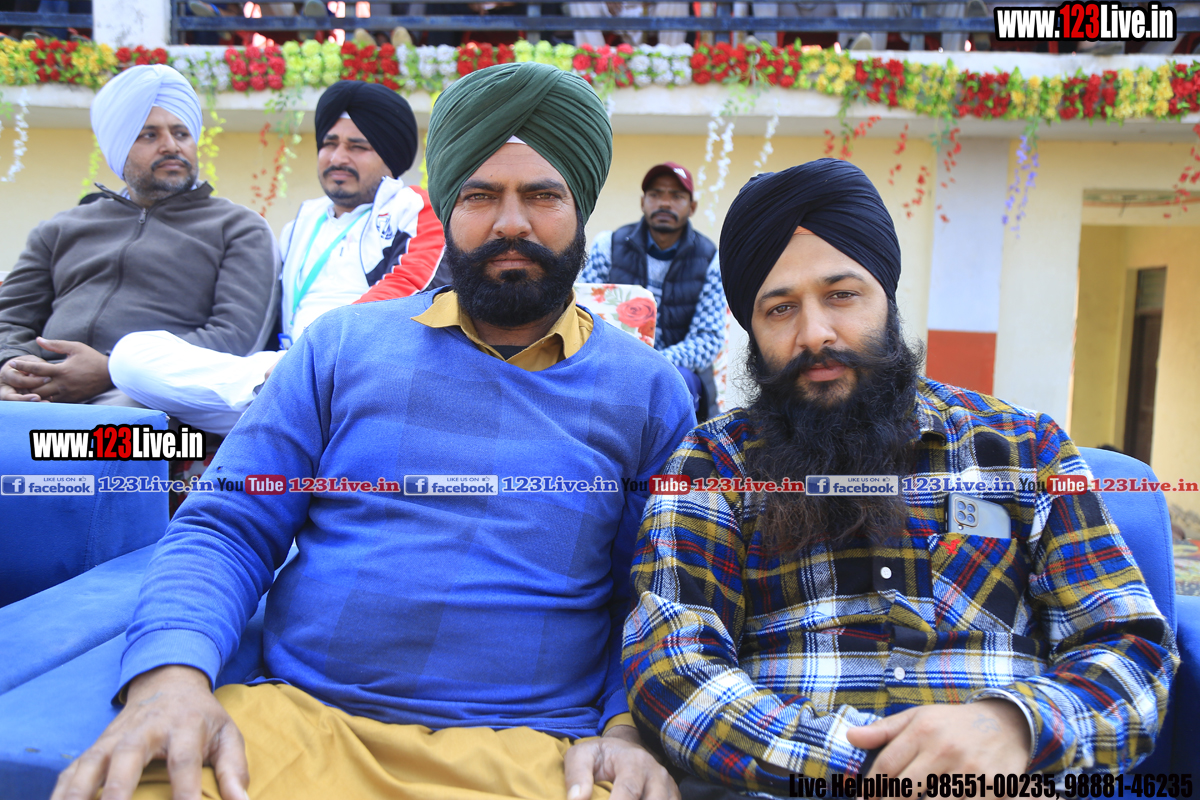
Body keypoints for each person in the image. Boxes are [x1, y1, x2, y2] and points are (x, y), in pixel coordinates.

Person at [51, 61, 694, 800]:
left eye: (543, 195)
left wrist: (625, 732)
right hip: (299, 725)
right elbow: (228, 528)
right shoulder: (341, 347)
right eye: (480, 195)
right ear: (447, 208)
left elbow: (655, 594)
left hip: (538, 750)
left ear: (580, 210)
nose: (511, 222)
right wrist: (171, 679)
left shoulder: (648, 392)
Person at [622, 159, 1179, 796]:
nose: (815, 334)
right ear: (751, 329)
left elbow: (1130, 650)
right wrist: (878, 771)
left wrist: (1014, 726)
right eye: (780, 309)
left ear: (886, 295)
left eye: (842, 295)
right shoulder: (713, 466)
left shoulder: (1025, 450)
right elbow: (673, 671)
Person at [106, 80, 444, 436]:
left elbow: (411, 286)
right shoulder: (301, 223)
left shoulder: (411, 206)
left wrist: (317, 353)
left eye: (357, 147)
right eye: (329, 144)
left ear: (389, 156)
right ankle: (276, 393)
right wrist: (277, 369)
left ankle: (289, 399)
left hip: (358, 371)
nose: (337, 158)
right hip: (276, 372)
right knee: (131, 354)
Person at [0, 64, 278, 406]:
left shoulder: (237, 227)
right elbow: (10, 316)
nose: (170, 146)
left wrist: (111, 369)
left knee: (108, 427)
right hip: (42, 383)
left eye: (181, 133)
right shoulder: (60, 229)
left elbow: (236, 337)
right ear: (118, 147)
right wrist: (12, 366)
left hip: (151, 393)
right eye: (149, 135)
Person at [580, 162, 725, 416]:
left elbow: (707, 339)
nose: (665, 203)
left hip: (676, 371)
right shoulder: (609, 247)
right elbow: (581, 314)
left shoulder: (711, 259)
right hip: (610, 365)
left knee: (678, 382)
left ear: (692, 207)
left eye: (676, 196)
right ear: (642, 202)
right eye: (656, 194)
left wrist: (652, 363)